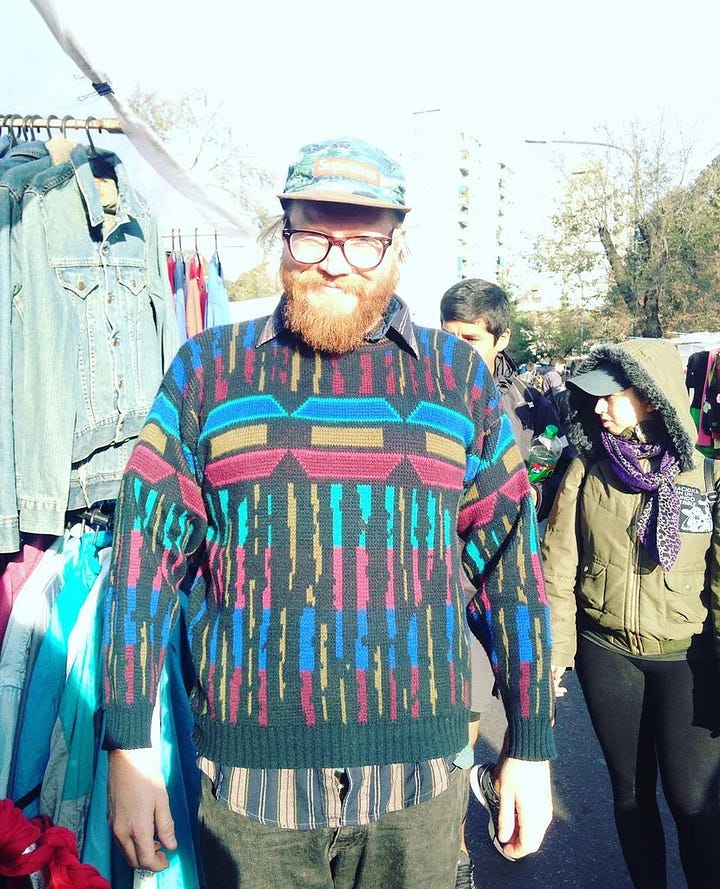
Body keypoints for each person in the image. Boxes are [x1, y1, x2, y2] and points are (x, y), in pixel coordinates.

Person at [103, 137, 555, 889]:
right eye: (313, 232)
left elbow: (513, 571)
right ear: (284, 236)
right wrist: (129, 743)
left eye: (364, 240)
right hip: (252, 799)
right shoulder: (206, 372)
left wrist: (531, 743)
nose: (336, 259)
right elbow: (140, 562)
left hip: (419, 786)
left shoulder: (458, 382)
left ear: (398, 246)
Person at [542, 338, 720, 889]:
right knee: (632, 794)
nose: (596, 407)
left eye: (609, 396)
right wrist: (556, 652)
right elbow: (557, 565)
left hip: (689, 658)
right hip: (609, 653)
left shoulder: (707, 478)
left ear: (651, 396)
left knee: (695, 803)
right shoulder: (586, 468)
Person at [439, 278, 571, 884]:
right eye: (449, 336)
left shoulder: (523, 401)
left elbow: (553, 452)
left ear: (500, 338)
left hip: (511, 574)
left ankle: (500, 776)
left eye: (470, 339)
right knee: (457, 709)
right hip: (446, 587)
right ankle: (452, 838)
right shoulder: (425, 394)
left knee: (516, 691)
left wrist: (541, 467)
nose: (458, 350)